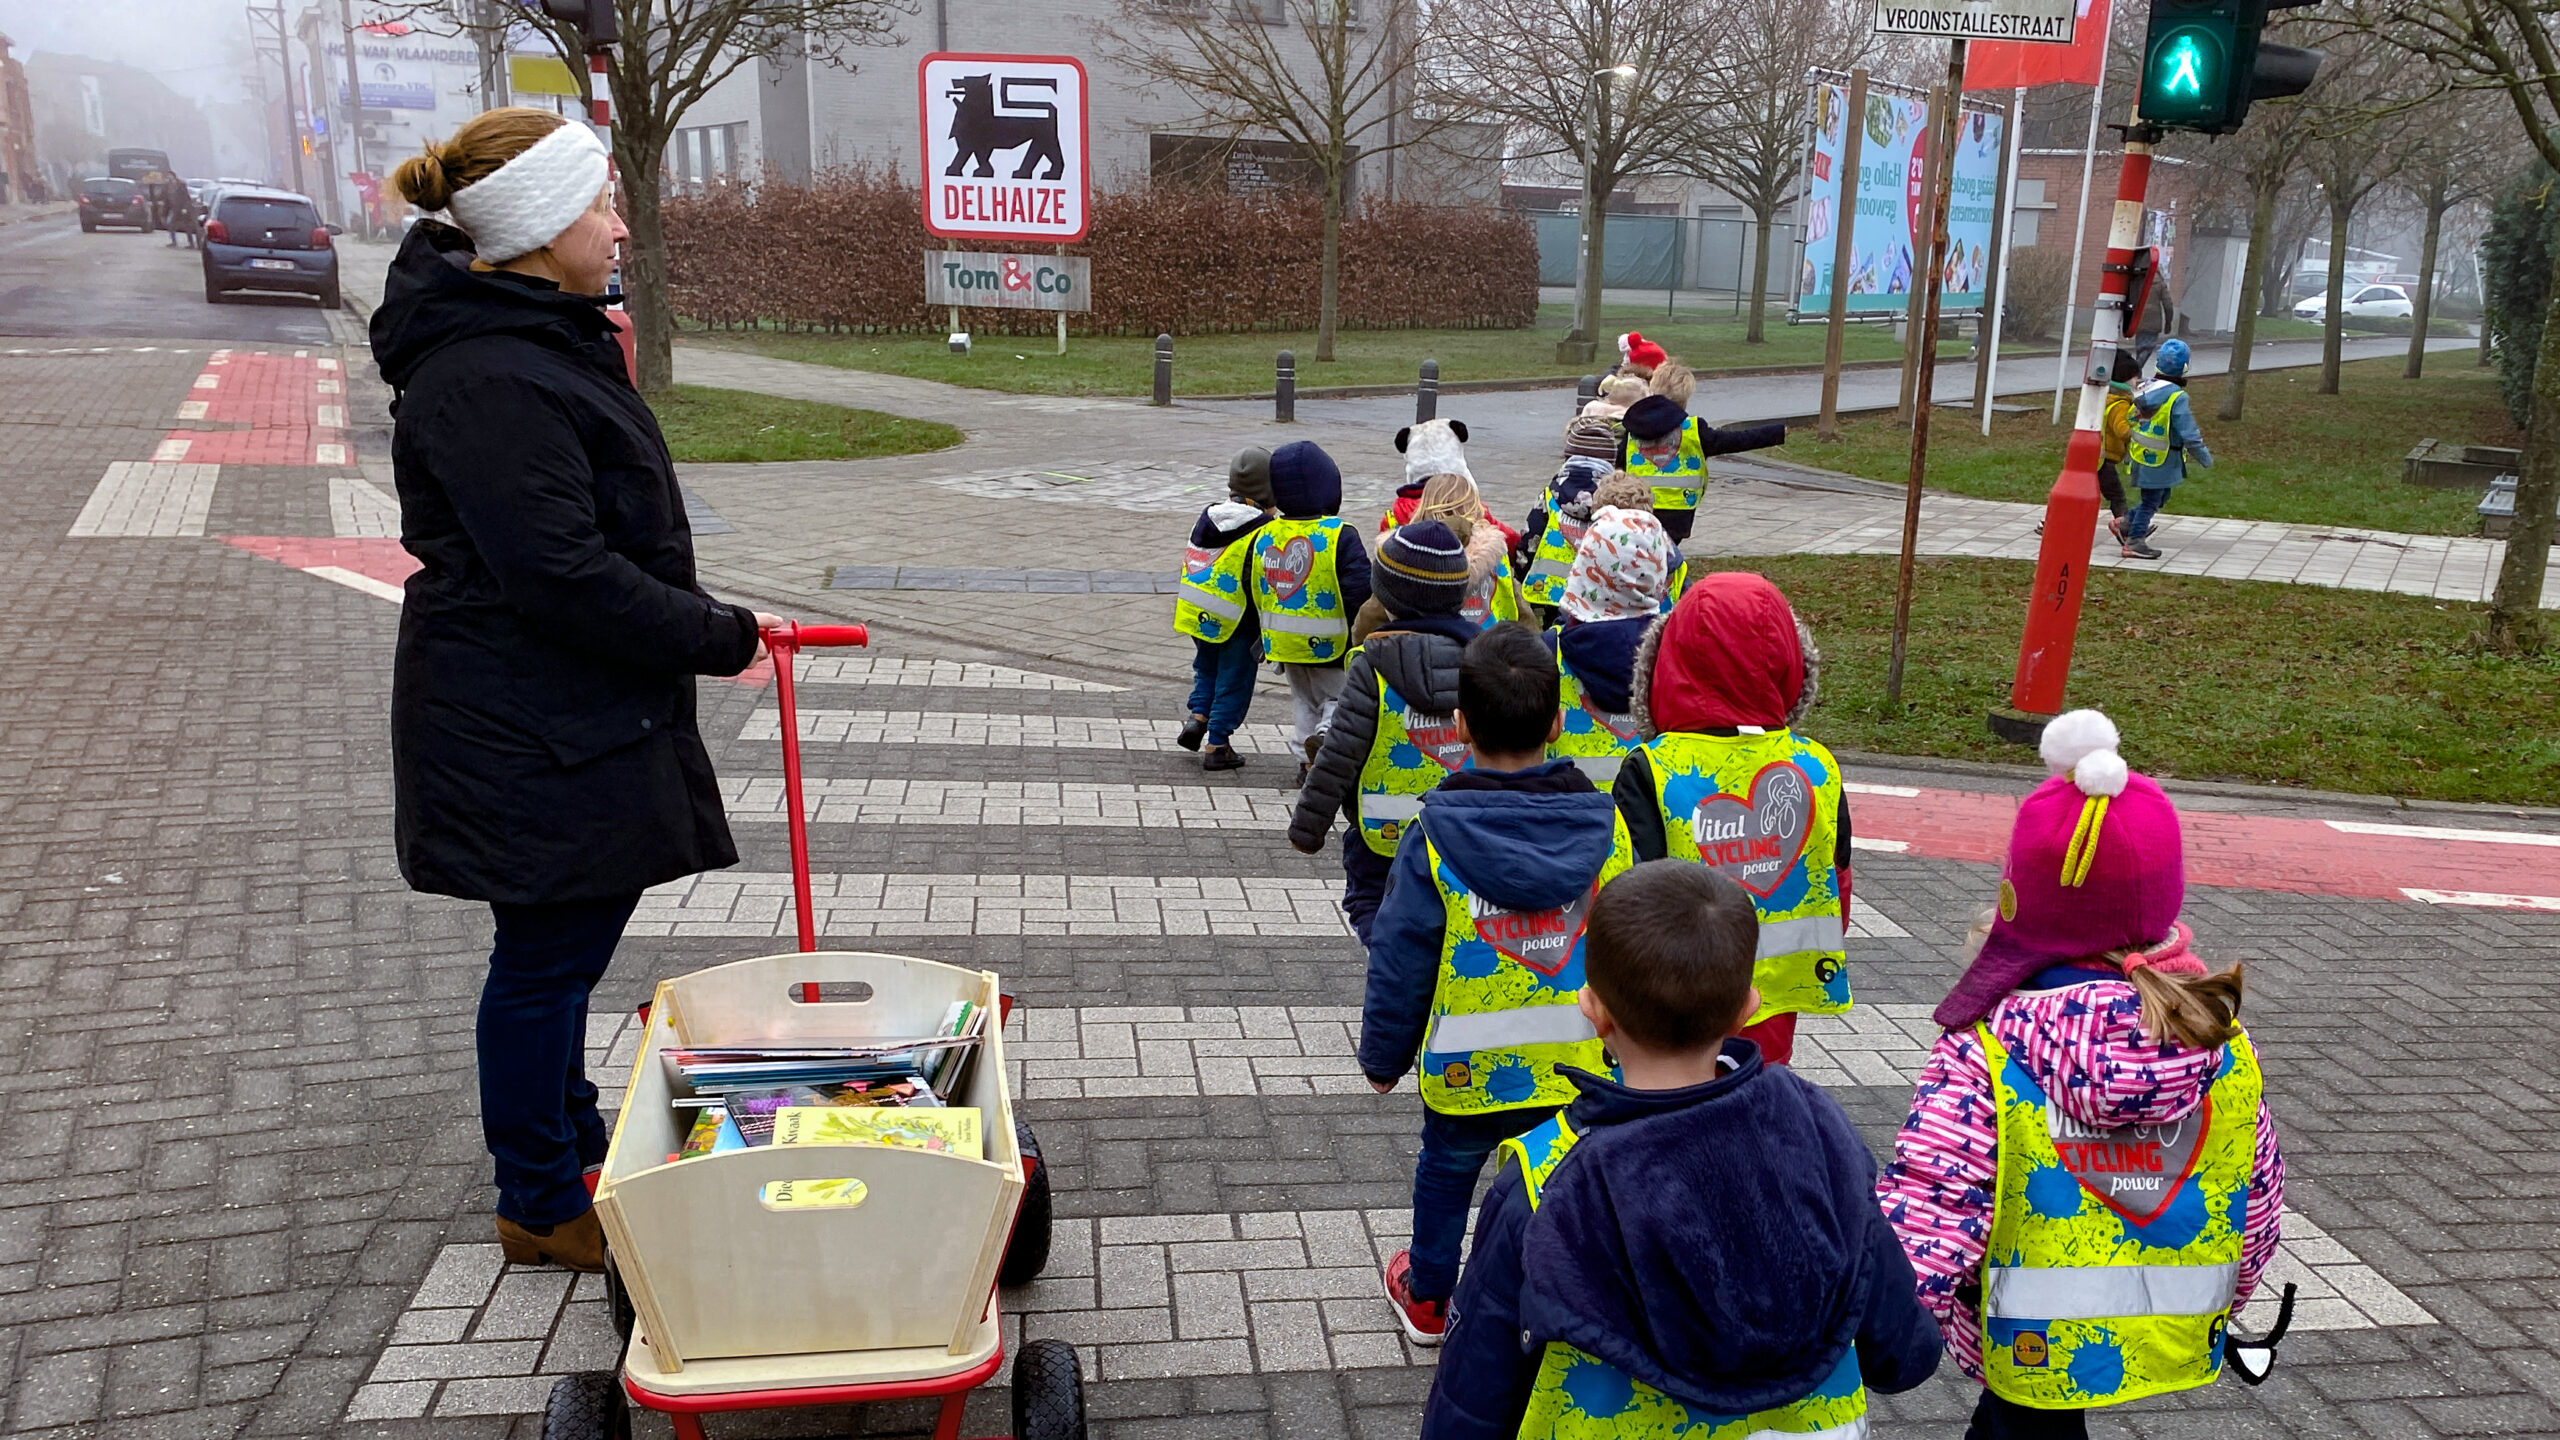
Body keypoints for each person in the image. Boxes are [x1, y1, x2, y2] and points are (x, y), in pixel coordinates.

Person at [372, 108, 779, 1272]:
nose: (618, 225)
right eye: (601, 205)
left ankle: (568, 1140)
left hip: (554, 712)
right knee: (547, 960)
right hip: (527, 719)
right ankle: (542, 1199)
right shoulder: (492, 371)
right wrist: (720, 633)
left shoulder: (530, 339)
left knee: (555, 952)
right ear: (543, 226)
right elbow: (558, 572)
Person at [1418, 861, 1943, 1439]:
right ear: (1749, 1005)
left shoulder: (1547, 1181)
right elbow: (1901, 1352)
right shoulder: (1816, 1130)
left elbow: (1477, 1390)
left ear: (1592, 1009)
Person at [1877, 710, 2285, 1440]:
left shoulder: (1988, 1052)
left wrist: (1889, 1330)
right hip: (2167, 1325)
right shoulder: (2222, 1045)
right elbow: (2255, 1198)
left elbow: (1933, 1208)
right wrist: (2236, 1290)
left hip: (2029, 1338)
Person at [1359, 623, 1632, 1346]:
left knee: (1447, 1175)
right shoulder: (1612, 833)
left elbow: (1401, 954)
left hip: (1465, 1069)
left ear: (1458, 724)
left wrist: (1384, 1057)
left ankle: (1428, 1297)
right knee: (1569, 1186)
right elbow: (1632, 947)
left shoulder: (1434, 838)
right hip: (1580, 1068)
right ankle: (1564, 1298)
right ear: (1557, 721)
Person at [1611, 573, 1855, 1067]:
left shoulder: (1651, 769)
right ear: (1791, 661)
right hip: (1776, 997)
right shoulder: (1816, 765)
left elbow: (1623, 898)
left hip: (1670, 1003)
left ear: (1667, 660)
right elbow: (1839, 886)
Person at [1290, 521, 1479, 942]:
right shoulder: (1485, 663)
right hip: (1464, 830)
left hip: (1381, 835)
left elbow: (1340, 751)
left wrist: (1309, 826)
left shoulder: (1370, 666)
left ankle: (1389, 963)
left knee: (1370, 903)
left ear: (1388, 598)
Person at [1249, 440, 1370, 779]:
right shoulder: (1339, 534)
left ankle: (1305, 760)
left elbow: (1255, 582)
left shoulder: (1266, 533)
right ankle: (1326, 740)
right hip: (1331, 643)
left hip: (1283, 643)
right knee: (1338, 699)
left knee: (1303, 701)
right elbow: (1360, 587)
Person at [1545, 498, 1678, 789]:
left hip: (1568, 822)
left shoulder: (1543, 656)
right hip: (1654, 823)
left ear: (1583, 569)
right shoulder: (1682, 658)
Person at [1174, 446, 1274, 773]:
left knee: (1206, 668)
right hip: (1238, 621)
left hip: (1198, 614)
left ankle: (1197, 718)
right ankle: (1218, 744)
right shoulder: (1261, 529)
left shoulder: (1209, 516)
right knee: (1234, 679)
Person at [1619, 393, 1788, 545]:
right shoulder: (1693, 430)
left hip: (1640, 507)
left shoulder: (1632, 435)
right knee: (1666, 555)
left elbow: (1619, 467)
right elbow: (1735, 440)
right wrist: (1775, 432)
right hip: (1680, 509)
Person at [2122, 338, 2211, 561]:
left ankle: (2125, 523)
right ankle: (2134, 540)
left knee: (2160, 495)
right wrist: (2204, 457)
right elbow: (2188, 433)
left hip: (2140, 455)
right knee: (2152, 500)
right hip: (2162, 458)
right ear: (2185, 369)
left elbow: (2130, 418)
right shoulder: (2177, 397)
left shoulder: (2145, 388)